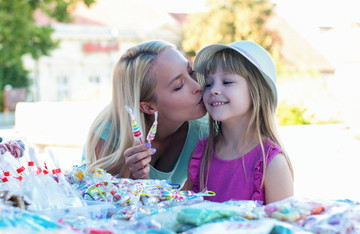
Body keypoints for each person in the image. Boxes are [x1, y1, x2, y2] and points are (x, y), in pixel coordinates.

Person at [84, 40, 208, 188]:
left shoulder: (205, 129)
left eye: (191, 72)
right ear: (148, 107)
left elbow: (192, 201)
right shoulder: (108, 134)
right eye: (179, 86)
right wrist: (133, 181)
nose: (198, 86)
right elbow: (107, 205)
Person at [186, 41, 294, 204]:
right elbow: (179, 210)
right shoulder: (202, 153)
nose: (213, 90)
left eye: (227, 82)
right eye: (208, 84)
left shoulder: (272, 164)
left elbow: (283, 226)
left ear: (256, 91)